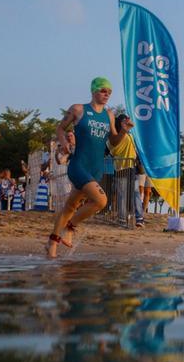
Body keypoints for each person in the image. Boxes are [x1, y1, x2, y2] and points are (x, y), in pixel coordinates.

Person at [46, 77, 134, 257]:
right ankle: (71, 227)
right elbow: (60, 129)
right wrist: (63, 144)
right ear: (93, 91)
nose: (106, 94)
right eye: (103, 90)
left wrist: (124, 130)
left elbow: (113, 141)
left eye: (109, 92)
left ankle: (52, 245)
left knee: (70, 206)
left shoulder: (109, 115)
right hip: (79, 165)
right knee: (101, 201)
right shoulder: (78, 109)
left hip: (96, 167)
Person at [106, 113, 144, 227]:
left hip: (130, 167)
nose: (127, 122)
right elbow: (111, 150)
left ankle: (137, 218)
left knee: (133, 194)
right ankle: (126, 218)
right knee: (126, 194)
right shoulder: (115, 137)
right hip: (122, 167)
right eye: (124, 121)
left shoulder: (129, 135)